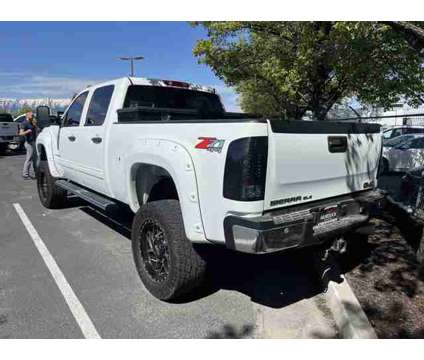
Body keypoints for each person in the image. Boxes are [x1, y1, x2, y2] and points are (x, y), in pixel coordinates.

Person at [19, 111, 37, 179]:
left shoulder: (32, 122)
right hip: (28, 143)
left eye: (33, 115)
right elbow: (20, 133)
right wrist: (27, 131)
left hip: (33, 142)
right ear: (27, 116)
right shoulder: (24, 123)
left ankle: (34, 174)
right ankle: (25, 175)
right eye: (31, 115)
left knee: (34, 158)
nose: (33, 116)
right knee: (29, 158)